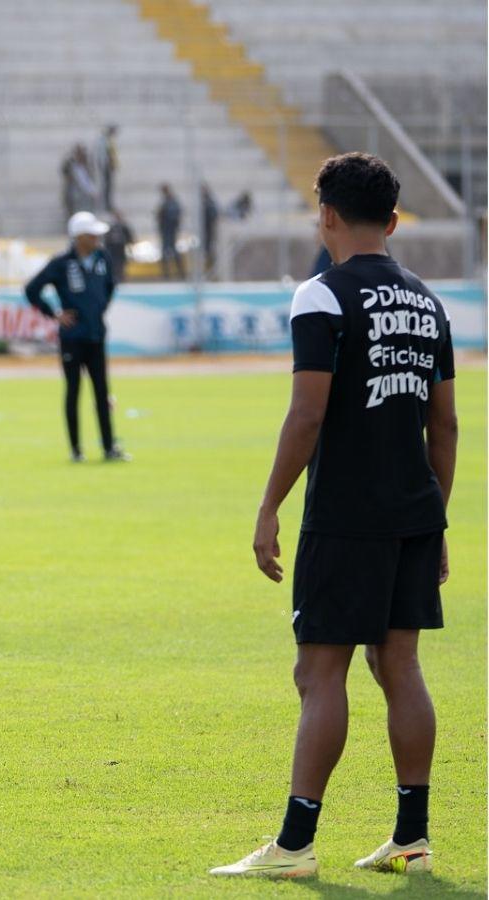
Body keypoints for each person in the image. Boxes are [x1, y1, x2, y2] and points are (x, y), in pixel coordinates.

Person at [211, 153, 457, 878]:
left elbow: (307, 413)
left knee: (320, 673)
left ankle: (294, 845)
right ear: (393, 220)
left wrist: (267, 506)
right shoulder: (429, 302)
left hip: (346, 512)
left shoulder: (321, 295)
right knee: (399, 663)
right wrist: (436, 518)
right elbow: (444, 427)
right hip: (414, 508)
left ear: (325, 214)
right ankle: (412, 835)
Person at [24, 211, 128, 463]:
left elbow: (110, 286)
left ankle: (109, 447)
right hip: (72, 338)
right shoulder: (61, 262)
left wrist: (99, 308)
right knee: (73, 392)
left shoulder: (102, 258)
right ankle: (76, 449)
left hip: (96, 335)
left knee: (102, 392)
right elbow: (32, 289)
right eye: (92, 234)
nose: (97, 238)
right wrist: (55, 314)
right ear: (80, 237)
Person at [61, 143, 99, 219]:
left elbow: (88, 181)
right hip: (74, 194)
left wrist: (93, 192)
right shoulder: (70, 165)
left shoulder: (86, 165)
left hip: (85, 195)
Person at [155, 184, 185, 280]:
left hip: (170, 231)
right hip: (166, 231)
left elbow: (173, 216)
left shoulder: (171, 202)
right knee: (167, 251)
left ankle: (179, 272)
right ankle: (168, 273)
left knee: (171, 251)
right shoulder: (166, 202)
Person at [103, 209, 134, 283]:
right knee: (114, 262)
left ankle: (120, 276)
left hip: (120, 248)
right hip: (113, 248)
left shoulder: (123, 226)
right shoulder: (110, 226)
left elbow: (129, 236)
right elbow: (106, 238)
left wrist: (130, 244)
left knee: (121, 262)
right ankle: (115, 276)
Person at [94, 125, 119, 211]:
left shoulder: (109, 140)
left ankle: (108, 204)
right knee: (105, 187)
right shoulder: (103, 141)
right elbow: (103, 155)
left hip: (108, 167)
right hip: (105, 167)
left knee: (109, 187)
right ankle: (105, 205)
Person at [200, 183, 218, 277]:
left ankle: (212, 269)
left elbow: (214, 215)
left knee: (209, 250)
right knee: (206, 251)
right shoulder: (203, 202)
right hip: (204, 230)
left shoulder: (209, 202)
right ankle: (209, 269)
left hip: (209, 230)